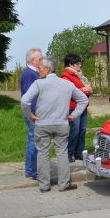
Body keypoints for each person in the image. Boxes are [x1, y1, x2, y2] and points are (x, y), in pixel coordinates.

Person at [21, 56, 88, 193]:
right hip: (61, 123)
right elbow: (83, 99)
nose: (38, 70)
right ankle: (64, 184)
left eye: (40, 68)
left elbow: (24, 101)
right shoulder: (67, 84)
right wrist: (74, 115)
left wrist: (30, 116)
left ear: (47, 69)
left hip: (42, 124)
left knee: (43, 153)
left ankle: (44, 185)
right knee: (62, 153)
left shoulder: (39, 84)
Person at [60, 53, 93, 162]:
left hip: (82, 106)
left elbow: (84, 87)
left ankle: (79, 152)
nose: (80, 66)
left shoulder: (79, 76)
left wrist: (87, 90)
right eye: (78, 64)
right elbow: (68, 91)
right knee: (75, 130)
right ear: (71, 65)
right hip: (73, 107)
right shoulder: (65, 77)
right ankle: (70, 153)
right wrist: (84, 90)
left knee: (82, 130)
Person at [20, 47, 42, 180]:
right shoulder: (30, 74)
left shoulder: (33, 73)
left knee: (33, 139)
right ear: (33, 60)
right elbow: (30, 97)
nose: (42, 60)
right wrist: (33, 114)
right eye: (40, 58)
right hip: (32, 114)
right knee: (34, 140)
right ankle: (32, 171)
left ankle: (31, 169)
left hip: (33, 113)